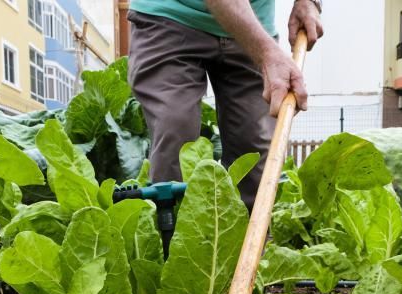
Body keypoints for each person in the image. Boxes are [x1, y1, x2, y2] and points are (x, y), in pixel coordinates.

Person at [127, 0, 324, 208]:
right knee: (175, 129)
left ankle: (253, 237)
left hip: (254, 20)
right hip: (170, 17)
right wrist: (267, 53)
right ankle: (171, 234)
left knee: (255, 154)